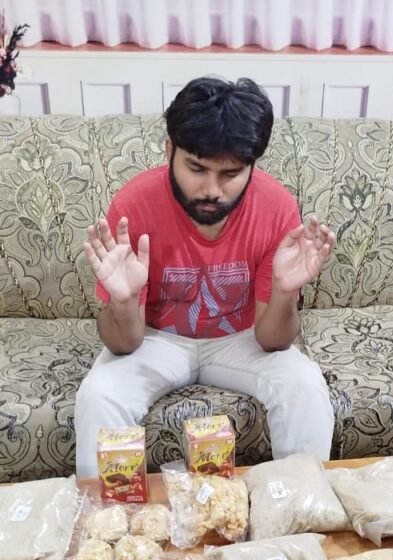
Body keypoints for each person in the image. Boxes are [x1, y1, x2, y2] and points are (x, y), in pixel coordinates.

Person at [74, 76, 337, 477]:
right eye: (196, 168)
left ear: (252, 166)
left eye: (230, 173)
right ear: (170, 151)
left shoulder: (275, 206)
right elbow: (123, 344)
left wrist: (285, 292)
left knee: (305, 385)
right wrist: (123, 302)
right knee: (99, 394)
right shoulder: (135, 203)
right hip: (157, 339)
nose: (212, 189)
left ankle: (302, 506)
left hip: (241, 339)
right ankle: (108, 513)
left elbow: (273, 341)